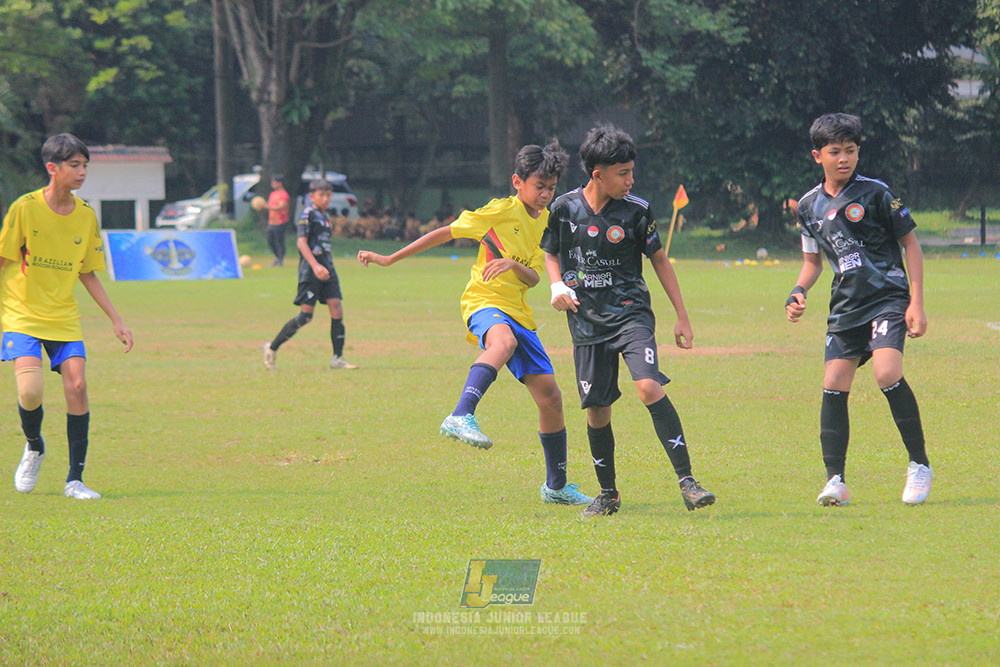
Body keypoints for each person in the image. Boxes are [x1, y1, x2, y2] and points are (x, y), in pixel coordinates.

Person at [357, 140, 592, 506]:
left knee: (551, 398)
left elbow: (534, 278)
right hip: (483, 302)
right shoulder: (498, 212)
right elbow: (445, 233)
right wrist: (389, 259)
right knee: (503, 344)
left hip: (519, 313)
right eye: (539, 186)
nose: (546, 194)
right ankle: (461, 414)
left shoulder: (547, 222)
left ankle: (556, 486)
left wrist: (513, 266)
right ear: (518, 182)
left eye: (551, 187)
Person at [541, 123, 716, 517]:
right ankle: (608, 494)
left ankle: (688, 482)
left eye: (632, 171)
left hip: (630, 313)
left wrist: (682, 316)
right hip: (585, 322)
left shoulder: (637, 210)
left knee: (648, 387)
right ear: (597, 173)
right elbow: (550, 252)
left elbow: (659, 259)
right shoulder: (564, 208)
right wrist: (556, 286)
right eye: (623, 173)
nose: (630, 180)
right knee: (597, 409)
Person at [785, 112, 931, 507]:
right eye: (835, 152)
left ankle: (919, 465)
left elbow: (911, 246)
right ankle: (836, 480)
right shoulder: (809, 206)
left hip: (887, 296)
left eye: (851, 150)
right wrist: (798, 291)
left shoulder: (878, 194)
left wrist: (916, 302)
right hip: (846, 305)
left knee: (887, 372)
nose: (844, 158)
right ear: (818, 155)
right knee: (834, 381)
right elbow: (813, 263)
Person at [2, 133, 134, 500]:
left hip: (62, 316)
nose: (82, 172)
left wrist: (115, 319)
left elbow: (87, 271)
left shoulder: (86, 215)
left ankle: (74, 480)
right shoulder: (24, 209)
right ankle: (34, 445)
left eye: (85, 165)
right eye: (75, 165)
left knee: (77, 387)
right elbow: (2, 259)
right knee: (30, 391)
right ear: (52, 168)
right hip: (21, 314)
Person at [262, 179, 357, 371]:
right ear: (312, 196)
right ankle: (271, 347)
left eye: (328, 195)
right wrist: (315, 266)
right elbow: (301, 243)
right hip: (311, 272)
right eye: (321, 195)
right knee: (305, 316)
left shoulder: (325, 217)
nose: (325, 199)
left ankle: (337, 358)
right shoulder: (307, 215)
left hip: (327, 269)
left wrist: (325, 266)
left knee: (336, 309)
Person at [265, 175, 290, 266]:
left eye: (275, 182)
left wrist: (267, 207)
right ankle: (276, 256)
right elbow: (269, 204)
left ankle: (280, 259)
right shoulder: (273, 194)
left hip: (281, 221)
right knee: (270, 239)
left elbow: (282, 206)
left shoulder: (283, 194)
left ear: (280, 183)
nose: (273, 184)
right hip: (272, 221)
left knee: (280, 241)